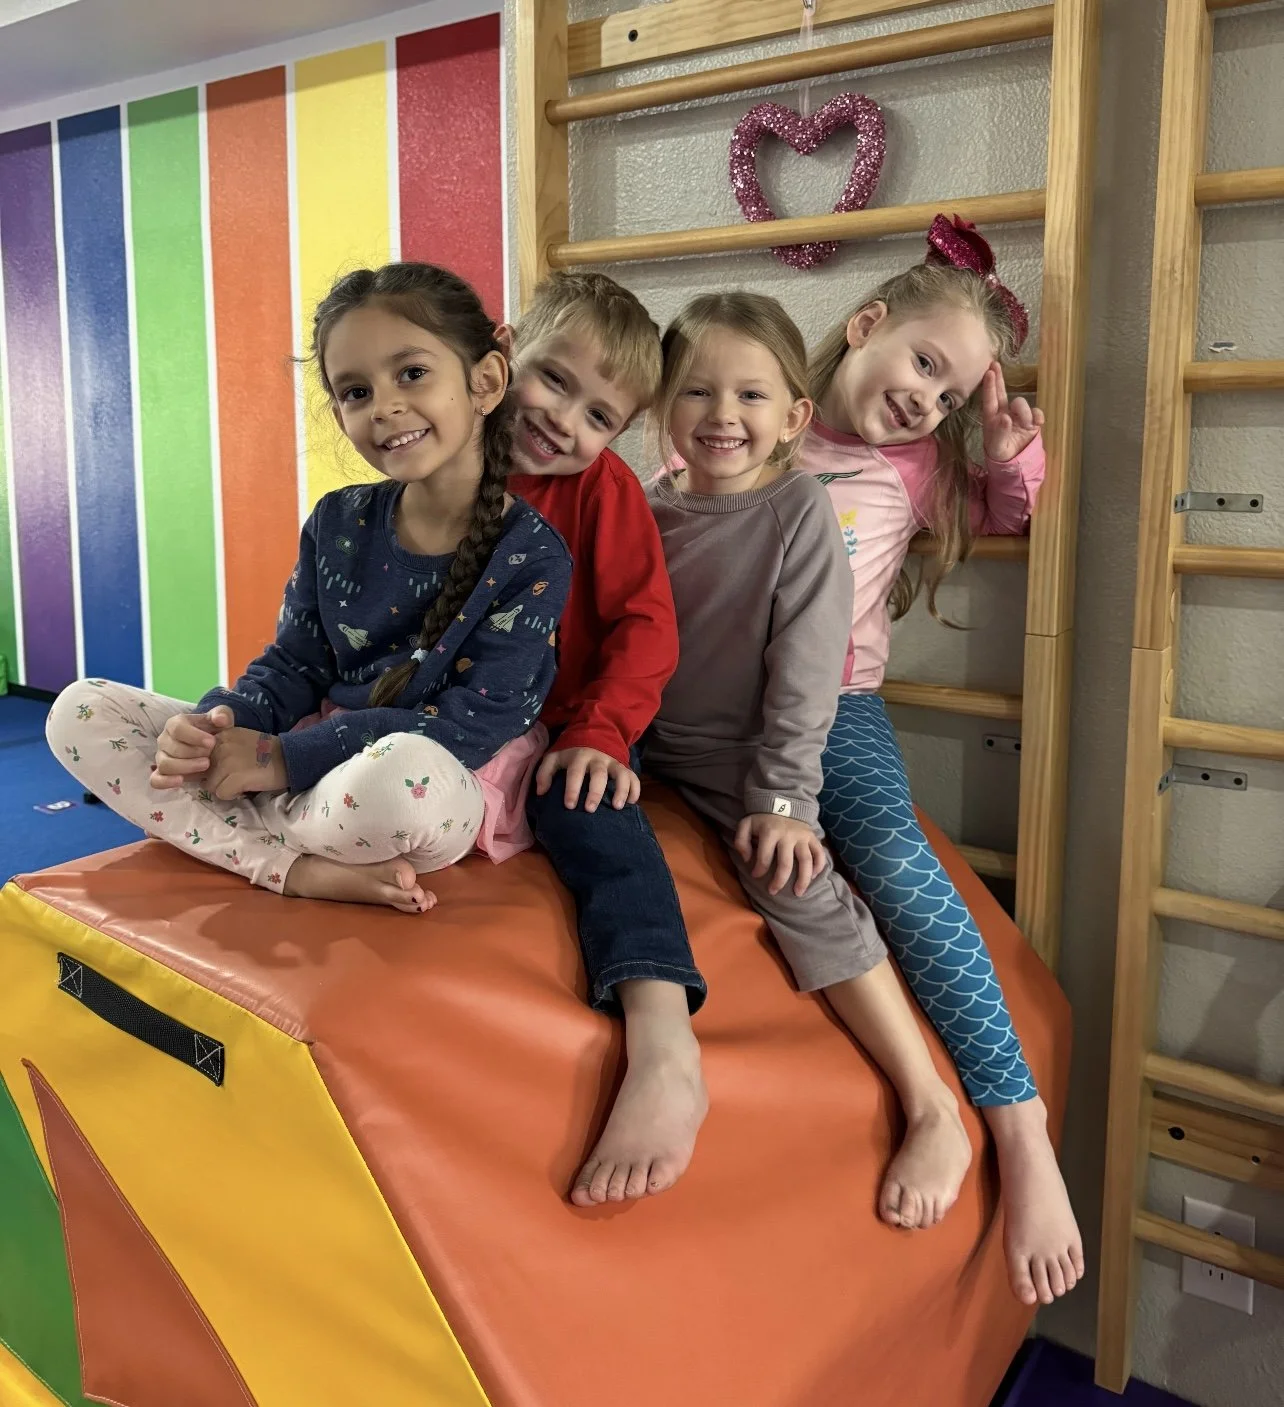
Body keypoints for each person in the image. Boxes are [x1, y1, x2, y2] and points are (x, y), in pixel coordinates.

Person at [47, 262, 569, 914]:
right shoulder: (336, 520)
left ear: (486, 380)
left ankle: (237, 832)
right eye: (356, 391)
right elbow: (294, 665)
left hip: (433, 775)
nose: (384, 407)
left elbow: (471, 727)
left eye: (412, 373)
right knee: (81, 711)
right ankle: (293, 865)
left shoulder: (533, 554)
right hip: (310, 761)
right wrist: (219, 725)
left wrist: (279, 760)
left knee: (403, 779)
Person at [645, 290, 974, 1232]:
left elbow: (805, 668)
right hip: (649, 744)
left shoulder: (798, 510)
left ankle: (930, 1101)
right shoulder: (644, 506)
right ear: (662, 406)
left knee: (799, 888)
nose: (722, 415)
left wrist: (785, 800)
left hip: (745, 755)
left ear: (793, 416)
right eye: (697, 391)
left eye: (751, 396)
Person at [801, 213, 1083, 1306]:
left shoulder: (912, 467)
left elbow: (1006, 512)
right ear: (865, 323)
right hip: (718, 719)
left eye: (950, 392)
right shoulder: (758, 421)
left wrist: (1009, 454)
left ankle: (1016, 1122)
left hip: (838, 713)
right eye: (924, 363)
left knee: (890, 858)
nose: (929, 399)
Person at [503, 271, 707, 1207]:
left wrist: (599, 734)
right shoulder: (446, 456)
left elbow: (645, 625)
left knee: (586, 810)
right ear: (505, 350)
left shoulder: (602, 490)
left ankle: (665, 1041)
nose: (564, 421)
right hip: (450, 716)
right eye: (553, 379)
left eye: (599, 415)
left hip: (567, 721)